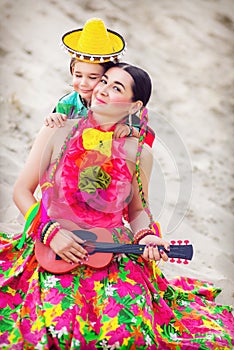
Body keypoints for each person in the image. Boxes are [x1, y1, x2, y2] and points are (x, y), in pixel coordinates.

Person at [0, 63, 233, 349]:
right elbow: (22, 192)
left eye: (116, 88)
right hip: (50, 243)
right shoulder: (56, 131)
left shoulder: (138, 152)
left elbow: (137, 211)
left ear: (134, 106)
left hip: (112, 253)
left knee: (126, 333)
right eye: (105, 81)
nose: (103, 90)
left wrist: (146, 235)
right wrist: (49, 231)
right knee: (52, 328)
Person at [44, 17, 155, 146]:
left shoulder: (122, 109)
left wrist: (130, 130)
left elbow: (149, 136)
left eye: (93, 78)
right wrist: (53, 118)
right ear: (72, 70)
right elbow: (52, 134)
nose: (83, 83)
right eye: (78, 75)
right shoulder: (67, 103)